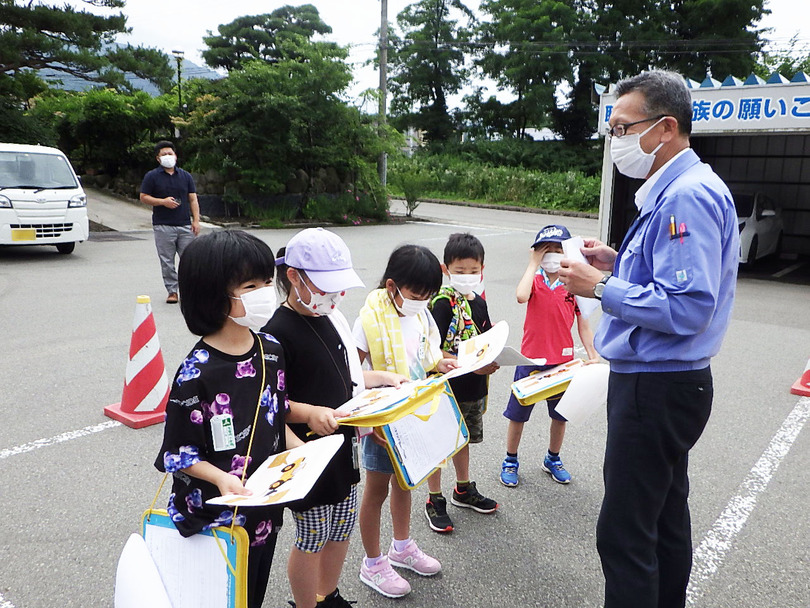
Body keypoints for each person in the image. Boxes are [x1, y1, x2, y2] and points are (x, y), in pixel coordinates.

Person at [557, 70, 739, 608]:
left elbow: (688, 307)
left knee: (626, 534)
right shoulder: (679, 191)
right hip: (668, 384)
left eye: (621, 127)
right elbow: (673, 282)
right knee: (662, 517)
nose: (615, 140)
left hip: (656, 387)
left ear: (664, 128)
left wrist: (603, 286)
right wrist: (617, 264)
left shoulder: (686, 197)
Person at [154, 229, 300, 608]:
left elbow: (273, 412)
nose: (266, 292)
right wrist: (221, 477)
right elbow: (178, 453)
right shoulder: (196, 372)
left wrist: (301, 453)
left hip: (263, 510)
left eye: (268, 282)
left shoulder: (271, 349)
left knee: (253, 593)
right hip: (214, 521)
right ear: (214, 295)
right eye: (251, 285)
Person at [264, 228, 406, 608]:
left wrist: (369, 411)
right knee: (311, 536)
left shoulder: (328, 317)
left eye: (338, 287)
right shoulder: (275, 333)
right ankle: (305, 604)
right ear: (294, 277)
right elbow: (269, 402)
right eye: (325, 287)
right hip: (307, 454)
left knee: (341, 529)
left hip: (343, 447)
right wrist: (310, 414)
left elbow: (347, 379)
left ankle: (328, 594)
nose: (334, 296)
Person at [352, 244, 458, 598]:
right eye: (415, 294)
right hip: (383, 420)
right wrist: (383, 377)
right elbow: (351, 374)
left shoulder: (422, 315)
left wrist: (441, 363)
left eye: (428, 296)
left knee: (406, 484)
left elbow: (424, 357)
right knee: (377, 490)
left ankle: (402, 547)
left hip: (413, 416)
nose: (421, 301)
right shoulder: (370, 318)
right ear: (393, 285)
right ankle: (373, 563)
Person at [499, 224, 599, 488]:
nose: (553, 255)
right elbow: (521, 296)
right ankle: (510, 459)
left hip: (563, 363)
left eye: (558, 250)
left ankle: (552, 458)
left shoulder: (574, 285)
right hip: (530, 361)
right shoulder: (534, 279)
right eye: (547, 251)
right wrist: (533, 262)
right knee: (518, 415)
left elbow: (584, 324)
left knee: (559, 415)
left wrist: (592, 354)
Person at [424, 232, 500, 533]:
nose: (467, 277)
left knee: (463, 439)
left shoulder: (479, 302)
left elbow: (487, 338)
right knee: (440, 444)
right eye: (460, 271)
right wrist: (471, 362)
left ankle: (462, 488)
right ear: (446, 270)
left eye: (473, 271)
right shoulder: (442, 304)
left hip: (473, 387)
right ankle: (434, 498)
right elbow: (431, 348)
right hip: (447, 388)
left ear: (482, 269)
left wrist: (493, 356)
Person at [139, 140, 201, 304]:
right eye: (164, 154)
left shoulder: (185, 176)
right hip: (163, 225)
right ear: (158, 159)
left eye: (170, 153)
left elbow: (193, 199)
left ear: (176, 156)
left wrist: (196, 220)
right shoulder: (152, 176)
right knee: (167, 261)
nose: (168, 156)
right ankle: (172, 291)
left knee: (190, 260)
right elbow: (144, 197)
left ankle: (192, 291)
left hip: (184, 224)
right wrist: (162, 202)